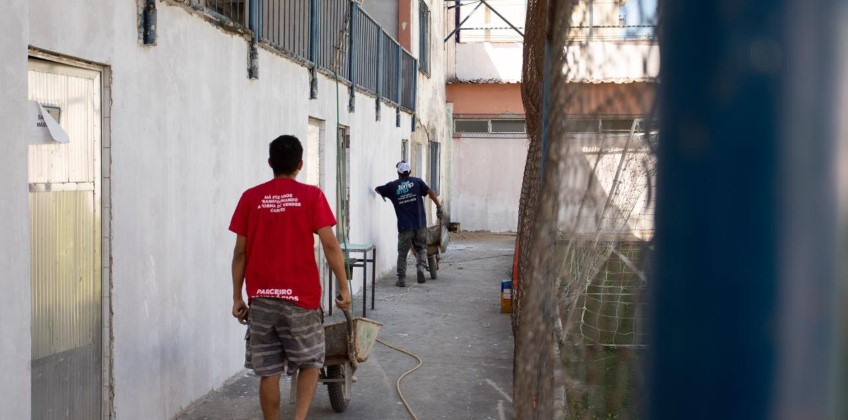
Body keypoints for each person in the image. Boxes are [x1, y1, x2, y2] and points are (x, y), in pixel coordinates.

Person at [229, 134, 352, 420]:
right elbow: (331, 245)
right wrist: (344, 287)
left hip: (261, 300)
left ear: (270, 163)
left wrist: (237, 296)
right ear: (299, 164)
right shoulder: (311, 196)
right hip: (302, 299)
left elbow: (239, 254)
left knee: (268, 370)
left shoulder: (250, 198)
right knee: (310, 362)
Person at [375, 160, 443, 287]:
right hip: (420, 224)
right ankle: (420, 269)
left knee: (402, 253)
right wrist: (439, 207)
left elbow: (378, 189)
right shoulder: (417, 182)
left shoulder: (393, 186)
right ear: (409, 172)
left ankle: (401, 280)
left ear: (398, 173)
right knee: (421, 248)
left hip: (404, 226)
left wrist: (382, 194)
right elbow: (430, 192)